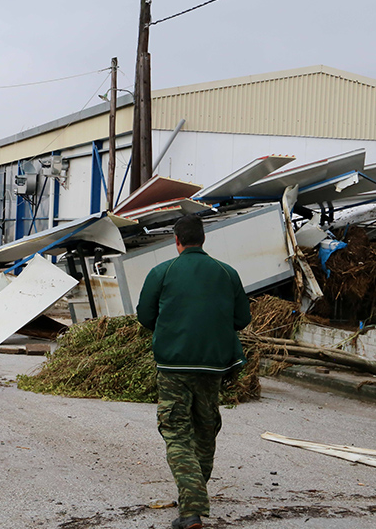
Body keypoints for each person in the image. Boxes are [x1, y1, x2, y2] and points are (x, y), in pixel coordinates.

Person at [136, 214, 251, 529]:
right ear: (203, 239)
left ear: (177, 241)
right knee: (204, 429)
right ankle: (193, 498)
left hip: (173, 367)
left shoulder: (163, 271)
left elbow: (145, 315)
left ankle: (191, 510)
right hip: (214, 366)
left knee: (176, 431)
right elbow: (242, 319)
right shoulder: (227, 273)